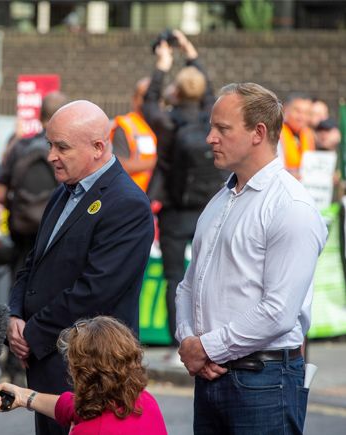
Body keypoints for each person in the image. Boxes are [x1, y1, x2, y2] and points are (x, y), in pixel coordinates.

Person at [176, 83, 327, 434]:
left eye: (222, 129)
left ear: (258, 133)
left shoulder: (291, 206)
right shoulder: (222, 198)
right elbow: (189, 284)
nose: (210, 138)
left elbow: (278, 311)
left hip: (264, 381)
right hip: (216, 376)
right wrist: (189, 343)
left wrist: (207, 348)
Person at [7, 100, 155, 435]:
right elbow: (35, 262)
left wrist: (32, 333)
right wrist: (16, 313)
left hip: (88, 368)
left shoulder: (127, 203)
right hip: (48, 357)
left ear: (99, 147)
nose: (50, 156)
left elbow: (95, 290)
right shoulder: (65, 192)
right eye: (50, 144)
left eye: (62, 147)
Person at [142, 30, 223, 362]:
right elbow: (208, 91)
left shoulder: (168, 123)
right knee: (214, 275)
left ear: (176, 92)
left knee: (175, 279)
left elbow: (148, 103)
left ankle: (181, 349)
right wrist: (191, 53)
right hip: (210, 207)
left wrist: (162, 65)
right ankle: (215, 341)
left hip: (174, 211)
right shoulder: (212, 119)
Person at [0, 316, 167, 434]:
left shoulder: (91, 430)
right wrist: (23, 396)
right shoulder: (145, 401)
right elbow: (70, 405)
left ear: (83, 371)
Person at [0, 91, 68, 383]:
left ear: (39, 114)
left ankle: (15, 363)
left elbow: (0, 192)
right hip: (55, 233)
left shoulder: (19, 146)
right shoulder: (65, 149)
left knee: (20, 294)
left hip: (23, 232)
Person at [110, 77, 158, 193]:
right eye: (144, 97)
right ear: (135, 99)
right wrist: (154, 163)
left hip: (154, 200)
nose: (149, 102)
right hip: (131, 196)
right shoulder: (126, 126)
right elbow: (119, 167)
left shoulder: (161, 124)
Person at [279, 93, 316, 179]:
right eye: (297, 111)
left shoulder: (309, 134)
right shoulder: (276, 132)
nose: (302, 117)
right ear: (285, 109)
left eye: (307, 113)